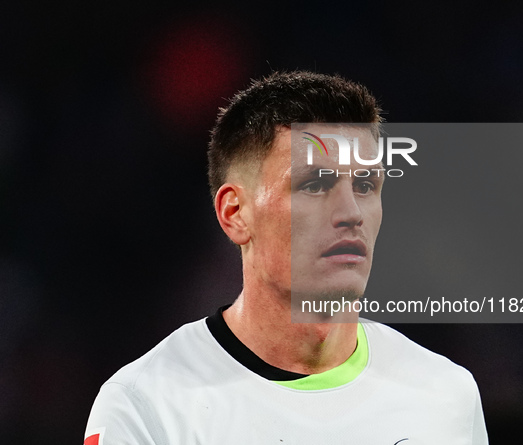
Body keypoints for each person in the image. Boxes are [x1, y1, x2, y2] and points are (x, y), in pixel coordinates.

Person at [84, 71, 488, 444]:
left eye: (365, 184)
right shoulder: (146, 405)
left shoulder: (446, 396)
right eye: (314, 184)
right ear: (235, 214)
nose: (351, 212)